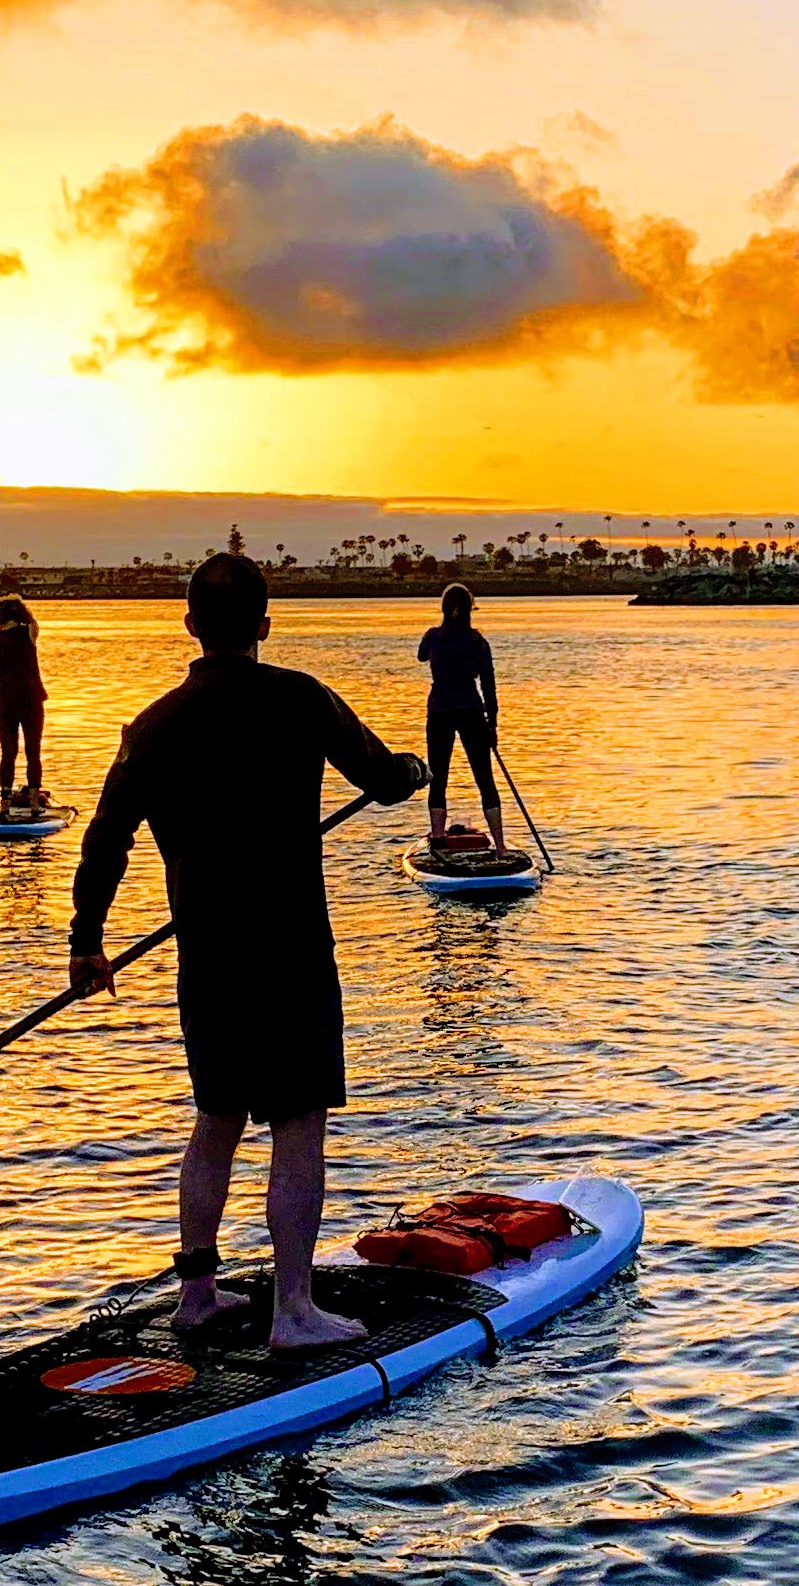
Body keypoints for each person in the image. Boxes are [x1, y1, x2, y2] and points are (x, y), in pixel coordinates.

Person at [71, 552, 423, 1348]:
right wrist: (413, 767)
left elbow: (105, 842)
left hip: (210, 959)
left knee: (216, 1119)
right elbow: (383, 775)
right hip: (291, 952)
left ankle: (198, 1293)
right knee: (297, 1124)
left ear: (192, 625)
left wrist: (87, 944)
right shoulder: (301, 699)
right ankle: (293, 1309)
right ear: (265, 625)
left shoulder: (154, 727)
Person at [415, 583, 506, 849]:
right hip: (471, 710)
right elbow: (488, 684)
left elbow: (421, 656)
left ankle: (438, 838)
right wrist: (492, 723)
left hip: (441, 710)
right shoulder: (478, 642)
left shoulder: (434, 637)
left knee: (438, 776)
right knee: (484, 778)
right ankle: (499, 846)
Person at [0, 596, 48, 813]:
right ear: (20, 614)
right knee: (33, 751)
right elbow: (34, 622)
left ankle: (5, 803)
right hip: (31, 700)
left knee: (8, 752)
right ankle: (35, 803)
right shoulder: (29, 632)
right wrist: (23, 611)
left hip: (5, 702)